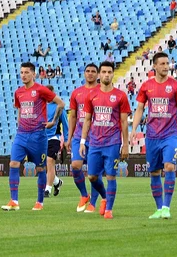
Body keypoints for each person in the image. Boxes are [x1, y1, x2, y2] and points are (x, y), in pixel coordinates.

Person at [131, 52, 177, 219]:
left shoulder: (176, 86)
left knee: (169, 166)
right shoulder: (146, 86)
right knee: (154, 172)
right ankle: (158, 209)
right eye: (162, 63)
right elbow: (140, 108)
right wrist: (134, 128)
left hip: (169, 135)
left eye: (167, 63)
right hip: (152, 135)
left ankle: (166, 207)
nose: (165, 66)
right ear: (154, 66)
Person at [2, 62, 65, 211]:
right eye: (21, 72)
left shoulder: (41, 90)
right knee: (13, 164)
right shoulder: (18, 92)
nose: (23, 75)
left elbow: (61, 104)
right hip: (22, 134)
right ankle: (14, 201)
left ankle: (40, 202)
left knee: (40, 168)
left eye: (26, 72)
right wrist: (19, 124)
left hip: (38, 136)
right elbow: (19, 109)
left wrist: (53, 122)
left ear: (33, 74)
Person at [79, 62, 131, 220]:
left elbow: (123, 122)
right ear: (99, 75)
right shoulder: (91, 95)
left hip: (112, 143)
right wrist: (82, 141)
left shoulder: (121, 96)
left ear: (113, 74)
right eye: (104, 72)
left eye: (109, 72)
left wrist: (125, 144)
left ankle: (109, 210)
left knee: (110, 176)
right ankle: (104, 197)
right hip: (94, 143)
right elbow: (87, 120)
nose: (106, 74)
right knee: (92, 177)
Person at [67, 63, 101, 212]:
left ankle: (93, 203)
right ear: (84, 73)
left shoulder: (102, 92)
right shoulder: (76, 93)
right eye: (87, 71)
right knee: (75, 165)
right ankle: (84, 195)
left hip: (97, 137)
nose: (90, 73)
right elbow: (73, 116)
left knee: (94, 172)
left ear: (98, 74)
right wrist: (68, 138)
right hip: (78, 136)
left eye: (93, 71)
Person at [44, 85, 68, 197]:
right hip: (41, 138)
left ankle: (47, 190)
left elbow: (65, 124)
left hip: (54, 137)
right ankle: (57, 182)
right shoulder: (41, 106)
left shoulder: (59, 107)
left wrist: (67, 140)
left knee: (50, 161)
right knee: (43, 165)